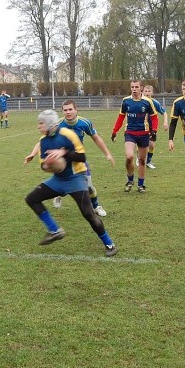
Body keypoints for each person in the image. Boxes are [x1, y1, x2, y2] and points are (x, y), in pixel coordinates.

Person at [23, 110, 117, 257]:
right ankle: (55, 230)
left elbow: (82, 156)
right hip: (58, 180)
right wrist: (49, 165)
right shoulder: (43, 141)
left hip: (76, 178)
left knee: (88, 213)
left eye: (40, 123)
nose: (38, 127)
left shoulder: (68, 134)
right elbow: (43, 166)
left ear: (49, 124)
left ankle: (109, 244)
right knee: (31, 199)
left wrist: (63, 153)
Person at [28, 99, 115, 217]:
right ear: (62, 111)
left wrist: (107, 153)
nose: (68, 112)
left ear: (76, 110)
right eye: (65, 110)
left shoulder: (85, 123)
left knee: (89, 186)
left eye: (70, 109)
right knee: (60, 182)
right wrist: (33, 153)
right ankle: (58, 194)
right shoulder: (56, 124)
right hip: (62, 161)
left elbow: (96, 137)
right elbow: (42, 141)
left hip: (77, 159)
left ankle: (96, 206)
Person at [111, 80, 158, 193]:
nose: (134, 89)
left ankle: (141, 185)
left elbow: (154, 117)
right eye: (132, 87)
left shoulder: (147, 102)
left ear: (140, 88)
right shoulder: (126, 101)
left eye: (136, 87)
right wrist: (114, 131)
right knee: (129, 157)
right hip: (130, 133)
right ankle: (130, 180)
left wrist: (154, 130)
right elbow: (121, 117)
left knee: (142, 160)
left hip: (144, 134)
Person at [142, 84, 169, 169]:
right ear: (142, 92)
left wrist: (165, 121)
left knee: (152, 145)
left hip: (152, 126)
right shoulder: (139, 101)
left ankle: (148, 161)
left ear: (152, 92)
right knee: (142, 144)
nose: (147, 93)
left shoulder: (154, 102)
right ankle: (140, 159)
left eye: (149, 91)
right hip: (141, 126)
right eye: (145, 91)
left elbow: (164, 112)